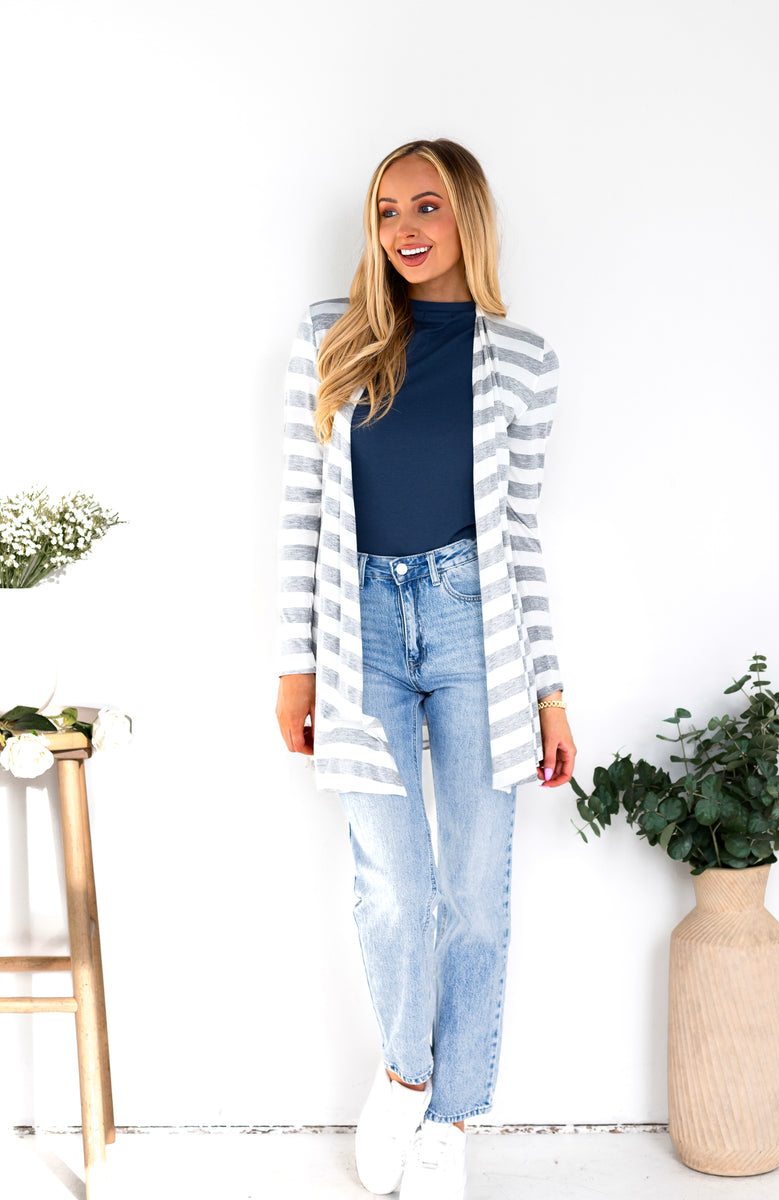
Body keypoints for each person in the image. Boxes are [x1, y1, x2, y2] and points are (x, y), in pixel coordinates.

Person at [275, 138, 576, 1200]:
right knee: (393, 887)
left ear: (467, 218)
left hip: (472, 626)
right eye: (387, 210)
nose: (404, 228)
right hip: (355, 623)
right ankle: (406, 1073)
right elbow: (300, 512)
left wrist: (549, 689)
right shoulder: (331, 339)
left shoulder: (522, 362)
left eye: (427, 207)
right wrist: (295, 667)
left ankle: (451, 1116)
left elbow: (520, 538)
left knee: (476, 894)